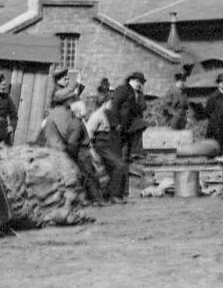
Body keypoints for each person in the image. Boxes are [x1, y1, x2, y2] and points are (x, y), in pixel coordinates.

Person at [39, 87, 100, 204]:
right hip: (59, 150)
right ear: (66, 100)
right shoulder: (61, 113)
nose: (72, 101)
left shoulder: (60, 112)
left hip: (60, 149)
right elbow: (68, 136)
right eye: (71, 99)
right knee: (82, 173)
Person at [105, 71, 148, 201]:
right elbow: (114, 107)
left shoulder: (135, 95)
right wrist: (115, 124)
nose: (140, 85)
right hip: (117, 131)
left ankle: (122, 192)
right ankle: (114, 194)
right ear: (132, 80)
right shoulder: (123, 90)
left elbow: (138, 110)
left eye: (142, 83)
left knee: (124, 162)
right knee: (118, 162)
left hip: (126, 132)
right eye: (139, 82)